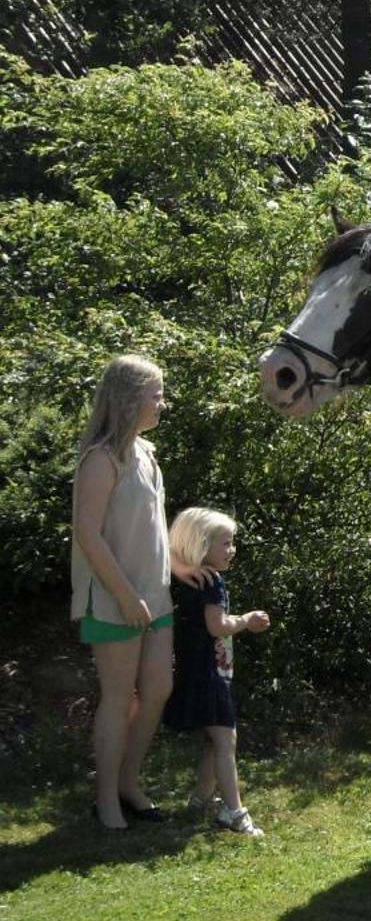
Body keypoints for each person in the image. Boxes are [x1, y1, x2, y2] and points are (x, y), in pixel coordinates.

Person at [69, 355, 204, 830]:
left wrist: (178, 565)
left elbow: (149, 530)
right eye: (156, 395)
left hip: (154, 596)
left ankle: (129, 782)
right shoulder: (101, 460)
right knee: (116, 694)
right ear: (130, 399)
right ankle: (106, 799)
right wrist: (126, 596)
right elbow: (88, 534)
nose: (162, 404)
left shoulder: (145, 454)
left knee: (157, 689)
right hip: (114, 598)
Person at [164, 508, 271, 836]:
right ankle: (234, 812)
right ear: (202, 545)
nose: (232, 549)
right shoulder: (213, 583)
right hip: (210, 674)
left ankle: (200, 799)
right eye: (225, 543)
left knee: (215, 739)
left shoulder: (191, 581)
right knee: (227, 739)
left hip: (199, 670)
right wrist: (246, 621)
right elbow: (216, 625)